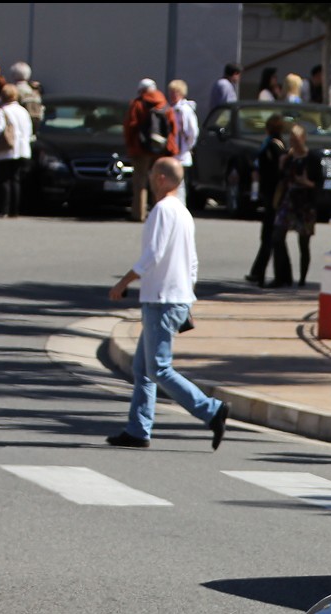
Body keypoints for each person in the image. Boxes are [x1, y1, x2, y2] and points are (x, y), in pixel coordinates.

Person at [106, 157, 229, 451]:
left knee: (158, 369)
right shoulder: (183, 212)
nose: (148, 176)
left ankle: (211, 409)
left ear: (161, 178)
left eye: (152, 172)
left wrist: (123, 283)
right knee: (143, 368)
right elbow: (193, 261)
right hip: (172, 297)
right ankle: (138, 429)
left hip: (162, 300)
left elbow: (152, 255)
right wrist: (189, 295)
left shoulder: (162, 210)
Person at [245, 113, 291, 287]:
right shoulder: (276, 144)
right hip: (270, 194)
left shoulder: (273, 146)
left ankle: (260, 273)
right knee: (275, 236)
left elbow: (274, 171)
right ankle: (278, 273)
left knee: (270, 235)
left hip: (273, 195)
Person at [275, 123, 321, 286]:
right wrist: (282, 165)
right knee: (278, 236)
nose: (293, 143)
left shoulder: (312, 158)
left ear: (303, 139)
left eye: (296, 140)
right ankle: (283, 275)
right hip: (289, 200)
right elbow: (282, 179)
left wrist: (306, 182)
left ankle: (302, 279)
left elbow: (319, 183)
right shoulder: (288, 157)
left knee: (304, 242)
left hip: (305, 203)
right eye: (291, 140)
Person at [124, 78, 174, 223]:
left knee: (140, 182)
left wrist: (130, 145)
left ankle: (138, 214)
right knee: (159, 181)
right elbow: (172, 127)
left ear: (141, 90)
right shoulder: (164, 104)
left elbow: (130, 126)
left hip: (141, 149)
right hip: (160, 149)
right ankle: (159, 214)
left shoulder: (137, 104)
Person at [0, 82, 32, 216]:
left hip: (5, 150)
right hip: (22, 149)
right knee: (15, 180)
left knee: (3, 180)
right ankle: (14, 210)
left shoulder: (1, 111)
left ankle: (3, 209)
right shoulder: (23, 111)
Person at [167, 79, 198, 200]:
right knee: (173, 181)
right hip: (173, 151)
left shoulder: (185, 109)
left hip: (182, 151)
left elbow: (193, 132)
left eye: (176, 92)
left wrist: (188, 146)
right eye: (171, 92)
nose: (173, 95)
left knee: (179, 182)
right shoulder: (171, 108)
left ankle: (181, 205)